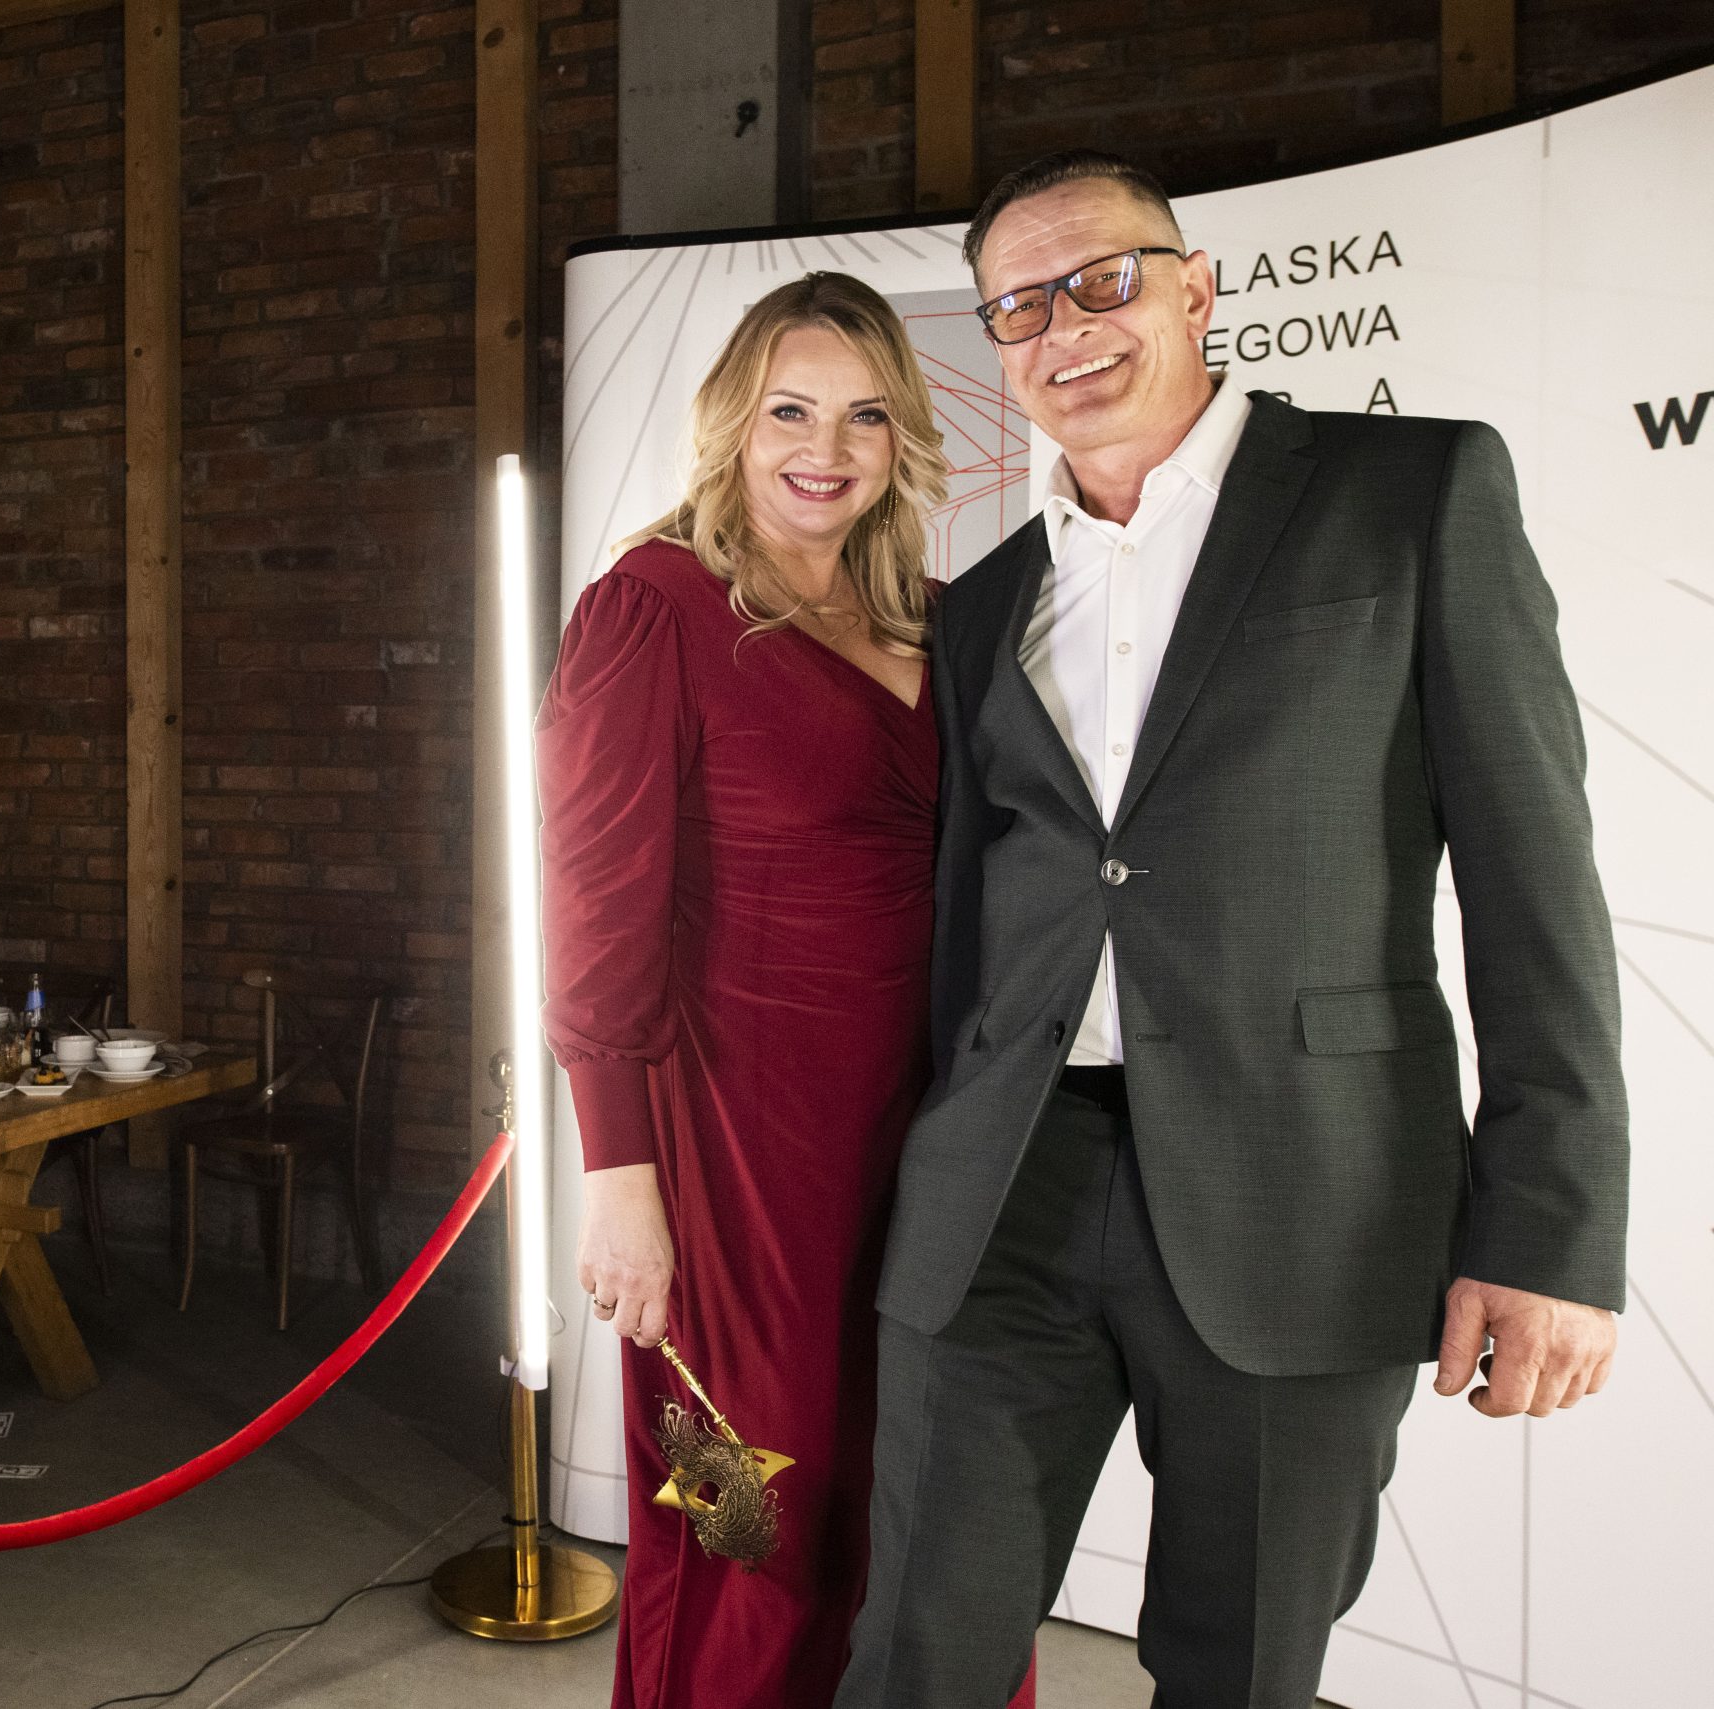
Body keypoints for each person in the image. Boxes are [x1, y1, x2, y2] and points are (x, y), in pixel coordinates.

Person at [836, 149, 1628, 1709]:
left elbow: (1536, 882)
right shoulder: (982, 603)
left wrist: (1550, 1229)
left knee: (1241, 1672)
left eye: (1102, 279)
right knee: (914, 1658)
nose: (1064, 326)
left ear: (1198, 289)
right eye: (1018, 306)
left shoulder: (1412, 495)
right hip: (1005, 1191)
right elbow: (972, 919)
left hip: (1307, 1191)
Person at [542, 273, 1029, 1709]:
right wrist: (620, 1181)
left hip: (926, 1146)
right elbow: (594, 912)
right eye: (790, 411)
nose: (827, 448)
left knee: (921, 1518)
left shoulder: (937, 619)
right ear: (732, 426)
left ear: (902, 437)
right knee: (752, 1533)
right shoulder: (654, 605)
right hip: (734, 1162)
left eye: (865, 415)